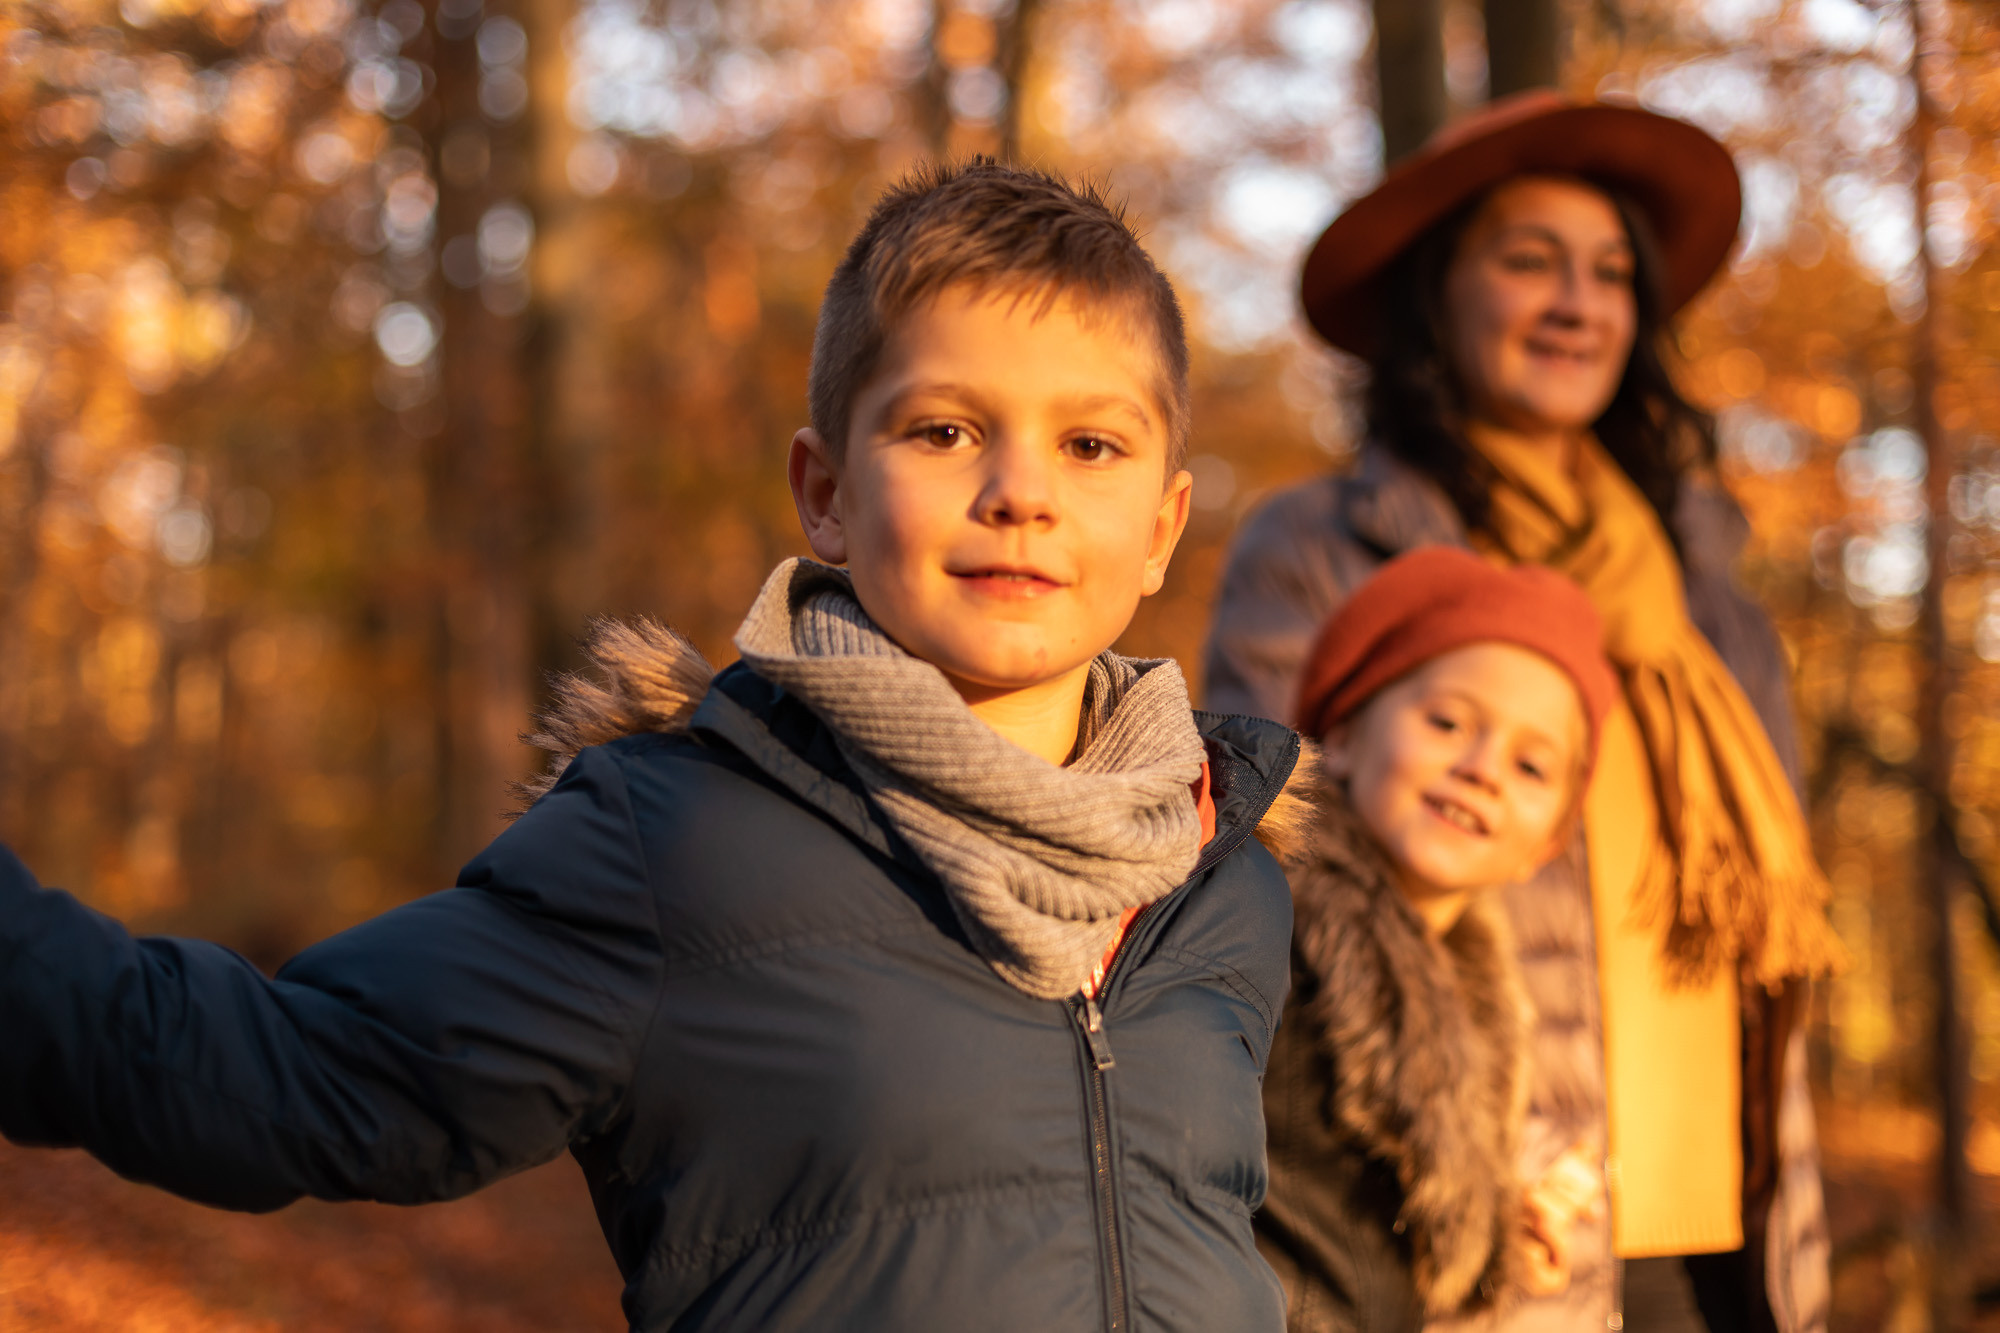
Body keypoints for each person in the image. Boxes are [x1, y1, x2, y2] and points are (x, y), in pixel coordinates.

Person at [0, 162, 1309, 1332]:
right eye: (945, 429)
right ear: (827, 494)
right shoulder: (682, 843)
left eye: (1090, 444)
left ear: (1162, 527)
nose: (1020, 489)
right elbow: (290, 1076)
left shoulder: (1228, 877)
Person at [1205, 92, 1844, 1333]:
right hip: (1498, 1225)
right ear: (1438, 296)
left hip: (1724, 1218)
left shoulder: (1710, 607)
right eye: (1528, 261)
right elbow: (1280, 873)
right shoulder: (1325, 548)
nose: (1576, 302)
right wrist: (1473, 1181)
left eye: (1609, 273)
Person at [1256, 546, 1619, 1333]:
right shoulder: (1262, 923)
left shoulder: (1474, 999)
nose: (1483, 767)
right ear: (1344, 735)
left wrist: (1495, 1227)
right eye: (1448, 721)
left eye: (1531, 765)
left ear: (1543, 847)